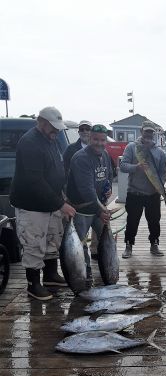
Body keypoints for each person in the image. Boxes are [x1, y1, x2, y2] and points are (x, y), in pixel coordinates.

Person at [9, 106, 76, 300]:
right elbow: (34, 180)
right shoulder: (29, 143)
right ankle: (33, 284)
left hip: (51, 203)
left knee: (52, 240)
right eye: (52, 127)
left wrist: (61, 198)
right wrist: (61, 204)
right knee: (33, 244)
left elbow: (55, 169)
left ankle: (50, 275)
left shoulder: (49, 139)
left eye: (57, 127)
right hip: (32, 205)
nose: (56, 131)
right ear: (41, 122)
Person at [66, 124, 112, 282]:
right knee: (80, 244)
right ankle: (84, 275)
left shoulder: (105, 154)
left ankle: (109, 271)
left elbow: (109, 175)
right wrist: (101, 211)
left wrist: (108, 188)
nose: (99, 143)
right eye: (95, 139)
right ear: (89, 138)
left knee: (106, 243)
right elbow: (87, 191)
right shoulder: (81, 158)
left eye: (102, 140)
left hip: (99, 207)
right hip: (82, 209)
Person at [120, 121, 166, 258]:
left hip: (153, 194)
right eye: (146, 131)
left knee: (154, 221)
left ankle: (154, 244)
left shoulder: (160, 152)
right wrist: (136, 167)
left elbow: (163, 173)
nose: (149, 134)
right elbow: (123, 166)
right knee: (132, 221)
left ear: (154, 133)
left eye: (151, 132)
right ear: (141, 131)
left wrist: (160, 185)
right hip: (135, 192)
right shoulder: (132, 147)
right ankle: (128, 245)